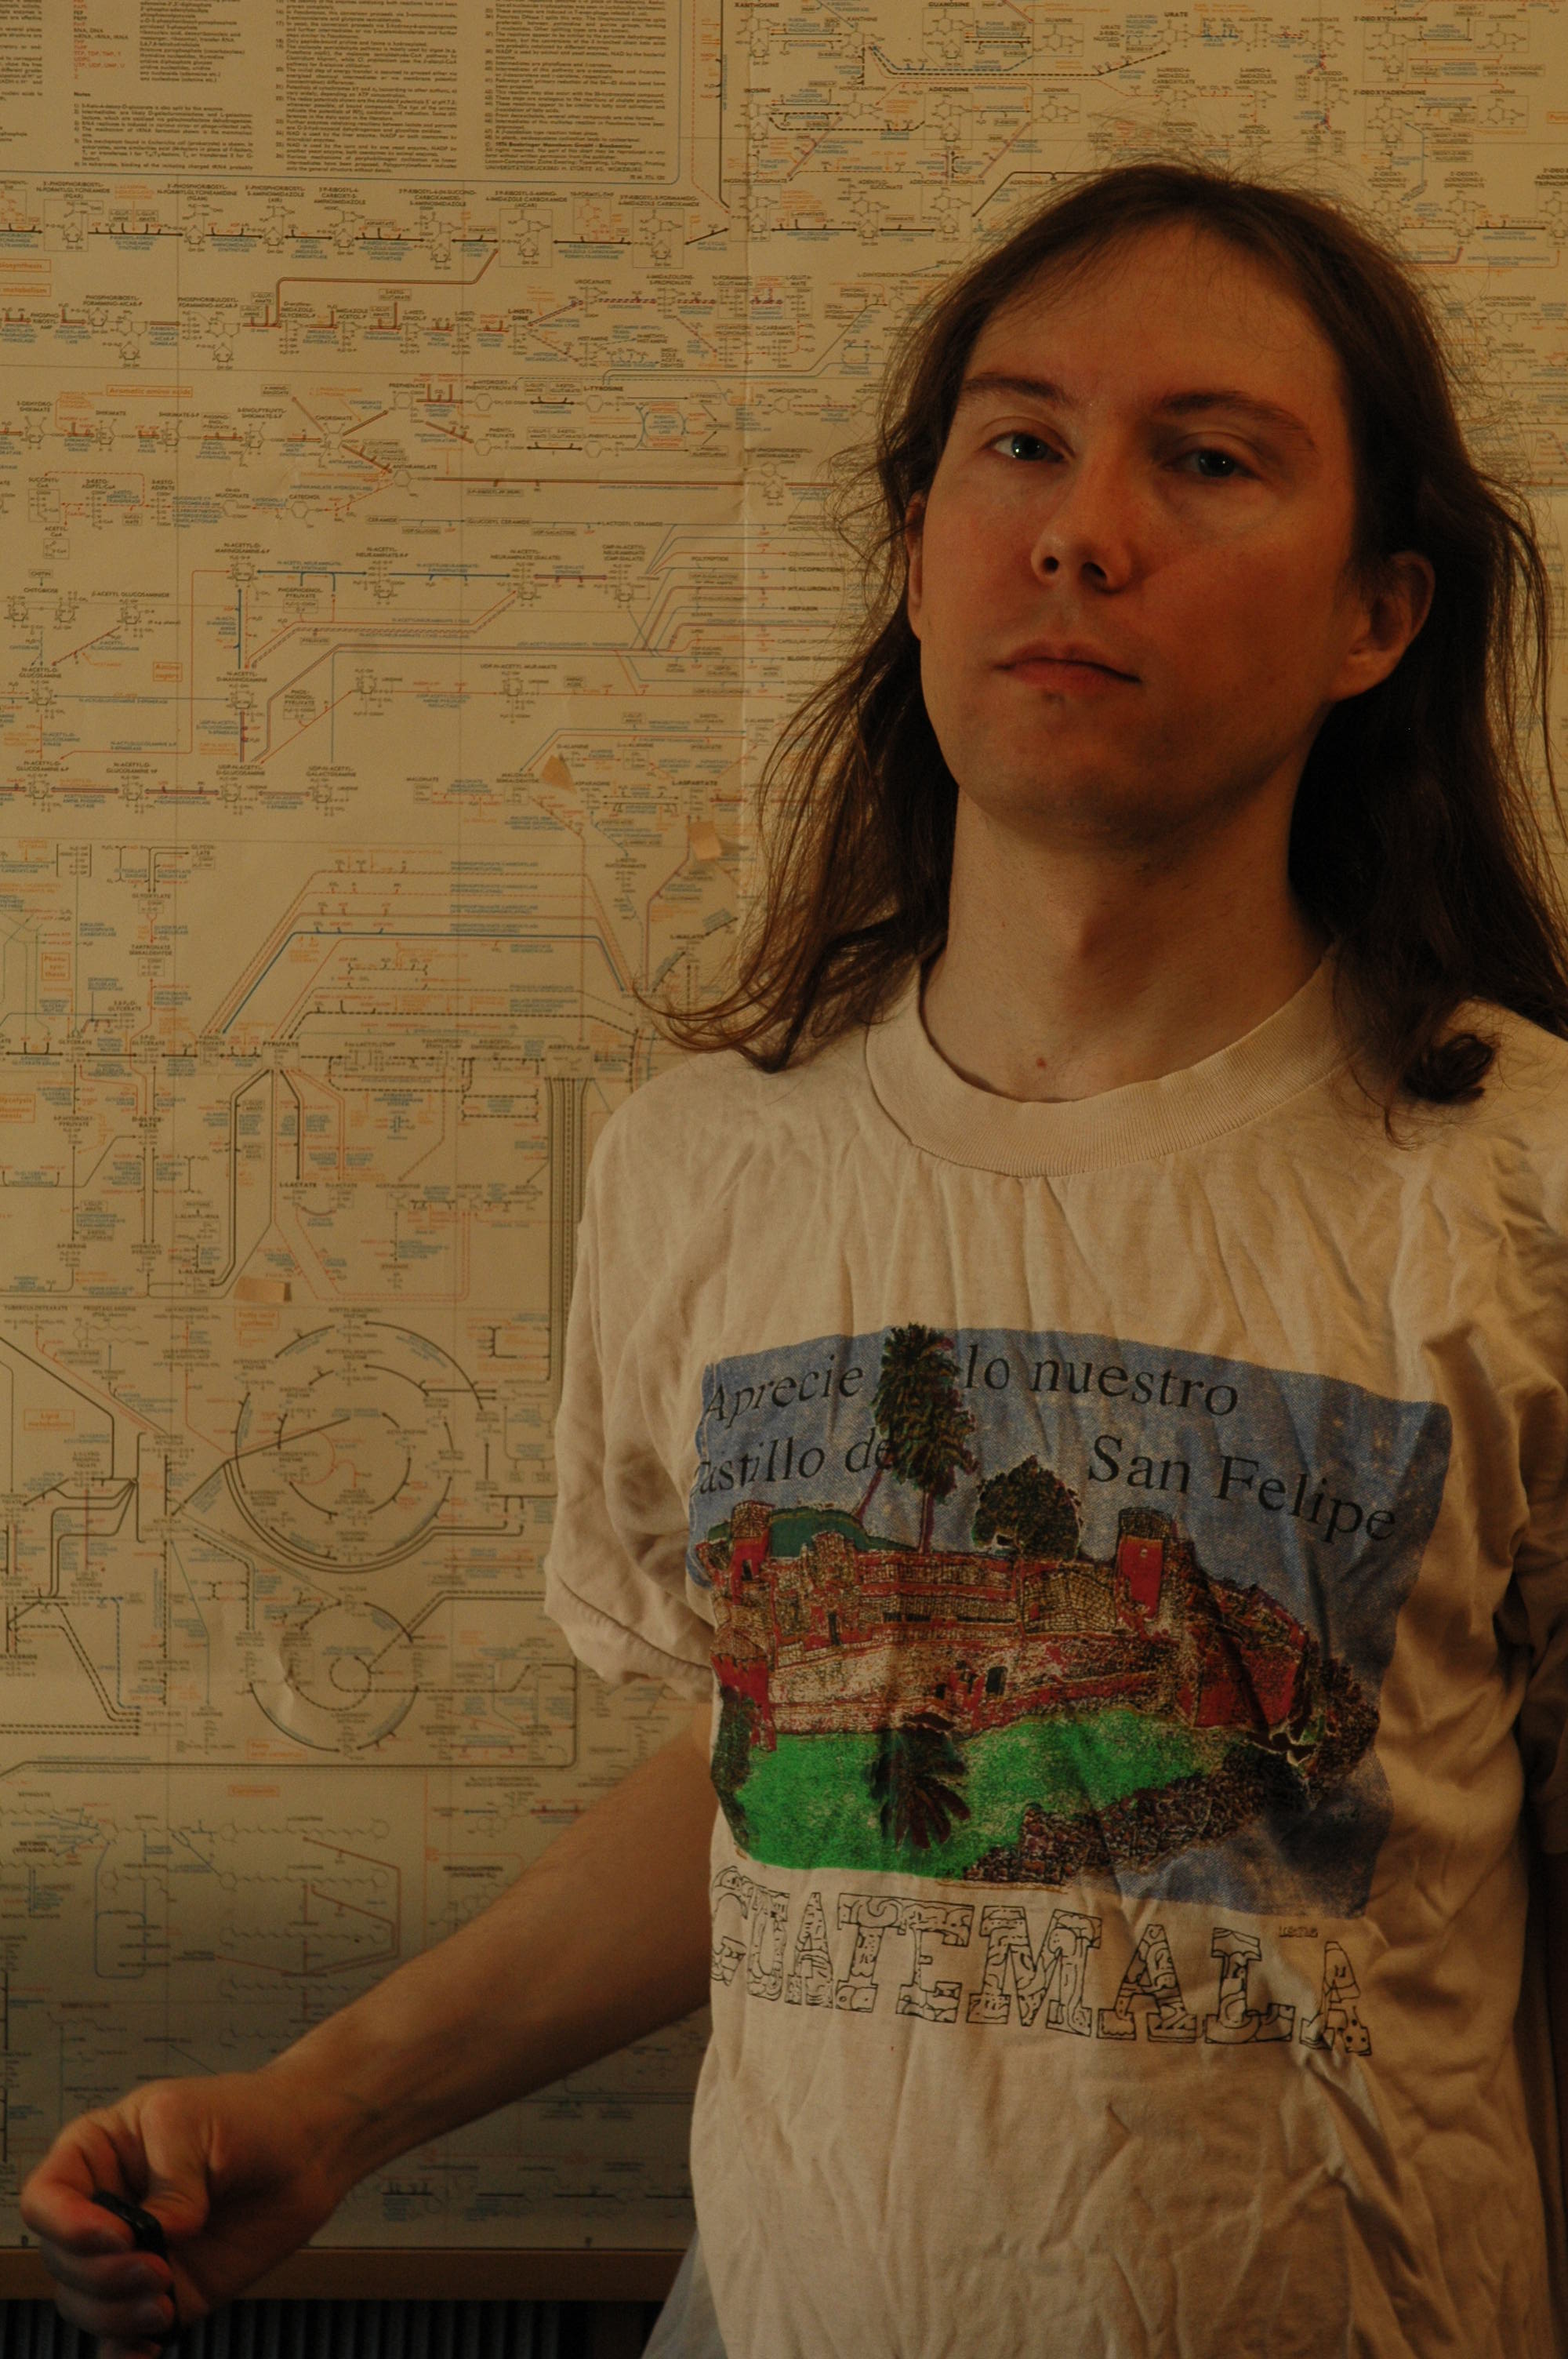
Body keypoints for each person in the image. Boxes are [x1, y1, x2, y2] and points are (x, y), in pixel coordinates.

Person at [20, 157, 1568, 2359]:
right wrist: (326, 2112)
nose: (1081, 531)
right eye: (1018, 444)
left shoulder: (1522, 1181)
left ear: (1376, 616)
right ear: (919, 552)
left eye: (1208, 462)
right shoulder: (702, 1170)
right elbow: (778, 1751)